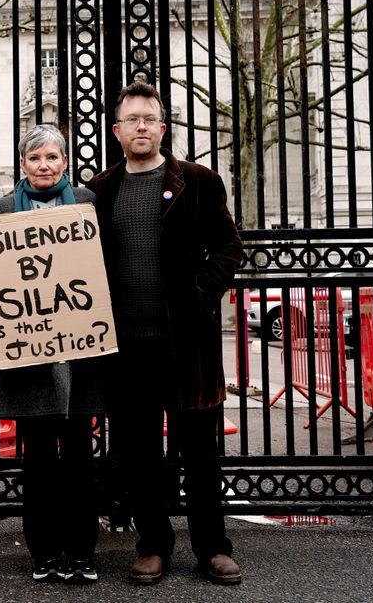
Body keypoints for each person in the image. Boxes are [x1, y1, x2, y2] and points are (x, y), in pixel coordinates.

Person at [88, 81, 244, 586]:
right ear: (117, 131)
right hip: (126, 347)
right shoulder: (101, 189)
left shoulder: (197, 181)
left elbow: (228, 247)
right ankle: (152, 545)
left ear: (162, 127)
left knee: (199, 451)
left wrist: (200, 297)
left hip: (187, 345)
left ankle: (213, 548)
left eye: (148, 118)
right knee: (139, 453)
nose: (140, 127)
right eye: (131, 119)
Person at [0, 124, 104, 584]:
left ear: (65, 162)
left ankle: (82, 552)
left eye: (52, 158)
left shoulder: (87, 204)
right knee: (38, 460)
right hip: (28, 356)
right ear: (23, 164)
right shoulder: (1, 211)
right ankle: (44, 552)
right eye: (35, 158)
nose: (44, 166)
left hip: (80, 357)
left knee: (81, 458)